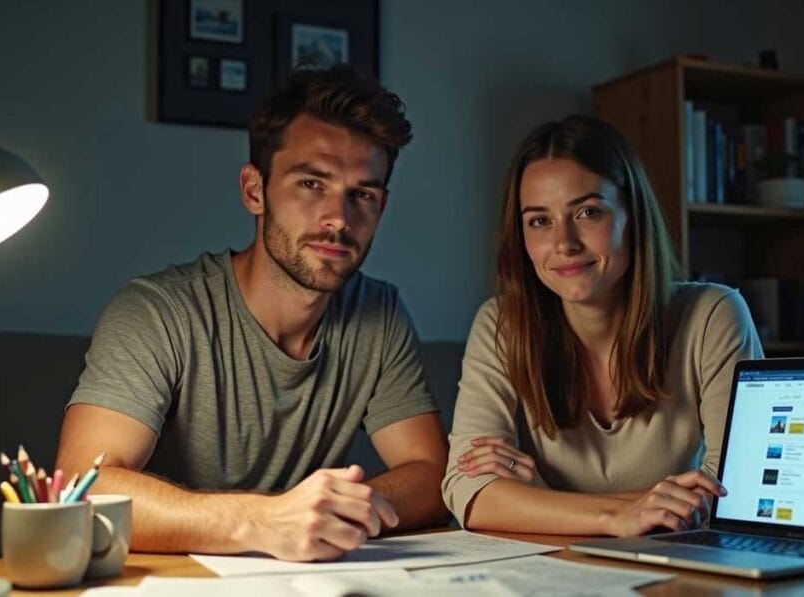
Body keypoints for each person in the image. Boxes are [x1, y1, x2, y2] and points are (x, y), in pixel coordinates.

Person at [56, 65, 449, 562]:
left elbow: (433, 473)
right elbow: (82, 489)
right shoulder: (157, 312)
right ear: (254, 190)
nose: (338, 219)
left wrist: (339, 512)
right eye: (311, 183)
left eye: (362, 195)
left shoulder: (379, 312)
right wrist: (267, 521)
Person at [441, 115, 763, 537]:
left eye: (588, 212)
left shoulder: (713, 314)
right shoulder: (502, 324)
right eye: (539, 221)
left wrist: (540, 501)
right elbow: (471, 491)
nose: (564, 243)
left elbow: (735, 494)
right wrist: (618, 517)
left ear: (632, 214)